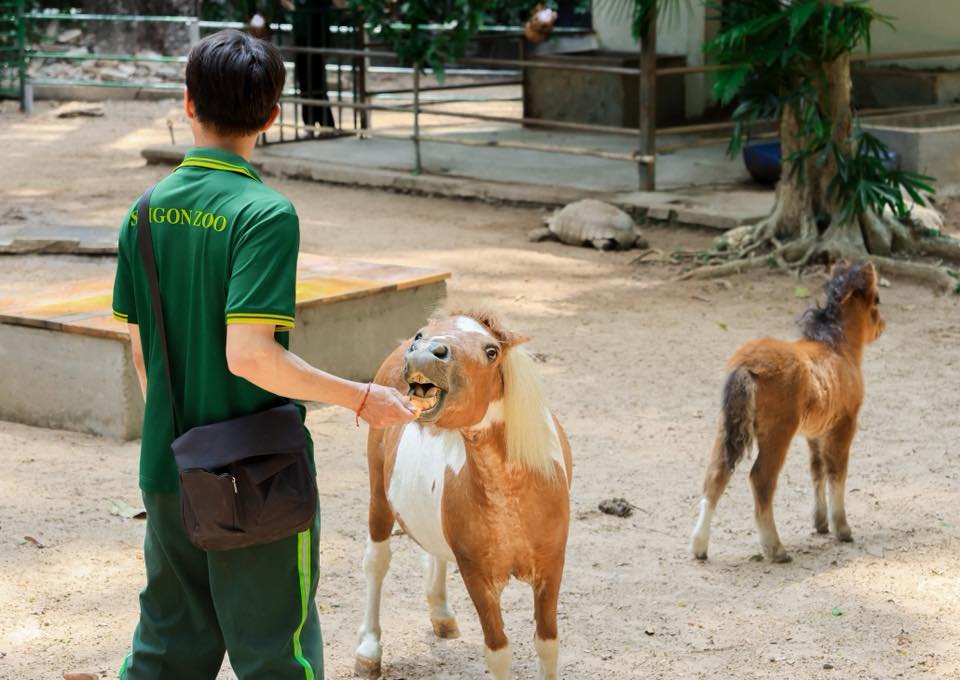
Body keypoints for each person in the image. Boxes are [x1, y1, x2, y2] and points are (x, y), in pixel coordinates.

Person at [111, 29, 418, 680]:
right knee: (277, 656)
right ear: (273, 116)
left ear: (188, 103)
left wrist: (185, 450)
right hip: (260, 480)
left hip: (170, 469)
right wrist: (361, 396)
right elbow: (250, 355)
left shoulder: (142, 213)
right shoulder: (264, 215)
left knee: (166, 651)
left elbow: (142, 358)